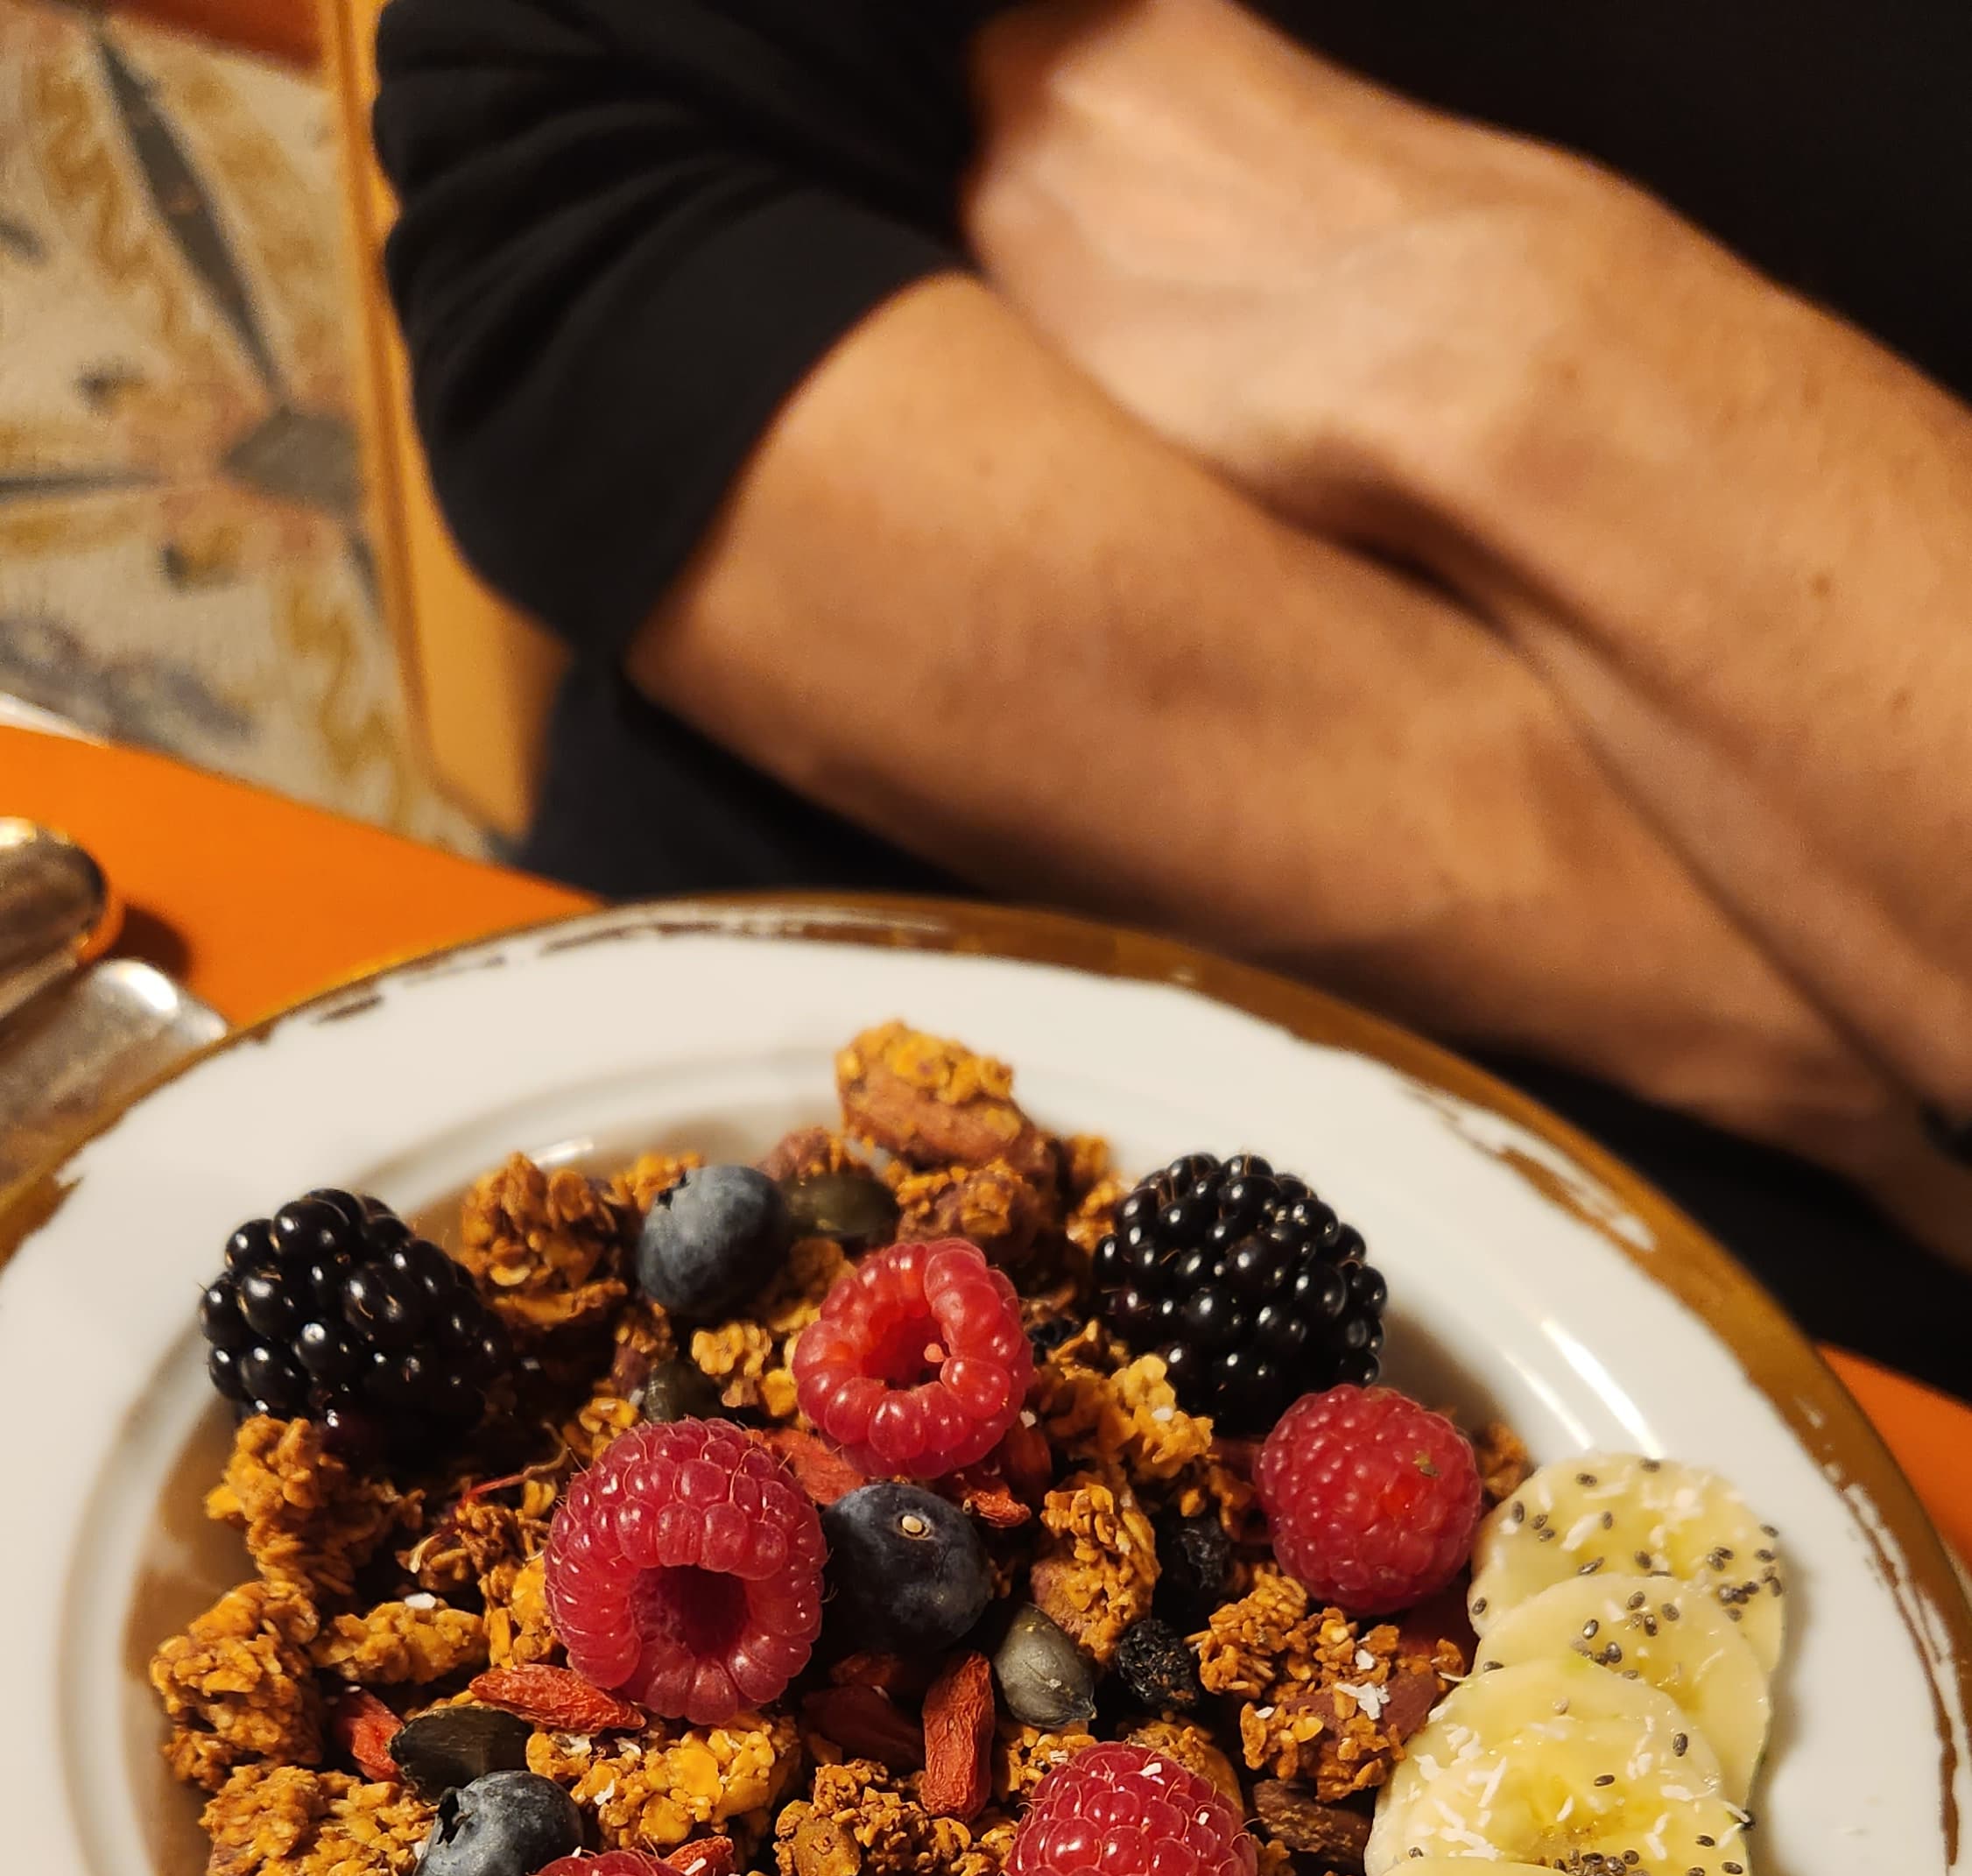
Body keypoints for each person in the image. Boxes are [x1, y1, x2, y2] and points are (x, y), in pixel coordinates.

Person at [373, 0, 1972, 1389]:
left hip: (1826, 1331)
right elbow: (583, 239)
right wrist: (1790, 978)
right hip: (734, 1043)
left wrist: (1539, 336)